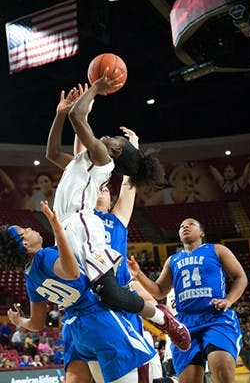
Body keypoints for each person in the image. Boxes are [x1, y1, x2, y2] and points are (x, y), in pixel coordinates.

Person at [45, 76, 190, 350]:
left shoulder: (102, 158)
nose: (109, 136)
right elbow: (52, 152)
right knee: (87, 291)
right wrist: (59, 115)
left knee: (110, 292)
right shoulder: (83, 161)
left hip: (80, 225)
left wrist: (96, 89)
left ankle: (164, 319)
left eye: (115, 140)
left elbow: (80, 118)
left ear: (113, 151)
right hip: (65, 230)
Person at [0, 200, 156, 383]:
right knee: (147, 370)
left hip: (77, 329)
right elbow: (72, 272)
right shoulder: (43, 256)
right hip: (99, 319)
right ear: (25, 244)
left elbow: (37, 323)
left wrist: (19, 320)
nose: (29, 228)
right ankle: (163, 320)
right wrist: (57, 229)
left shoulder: (30, 278)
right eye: (25, 230)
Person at [128, 218, 248, 383]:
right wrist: (138, 274)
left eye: (191, 224)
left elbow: (240, 277)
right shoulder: (173, 260)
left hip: (216, 318)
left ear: (201, 233)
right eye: (181, 226)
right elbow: (159, 290)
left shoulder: (217, 250)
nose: (185, 227)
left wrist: (229, 299)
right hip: (185, 323)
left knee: (222, 372)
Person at [91, 126, 164, 382]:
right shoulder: (80, 218)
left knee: (141, 371)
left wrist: (133, 148)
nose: (103, 189)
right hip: (92, 302)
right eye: (99, 187)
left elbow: (129, 181)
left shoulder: (117, 220)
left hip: (123, 300)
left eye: (106, 189)